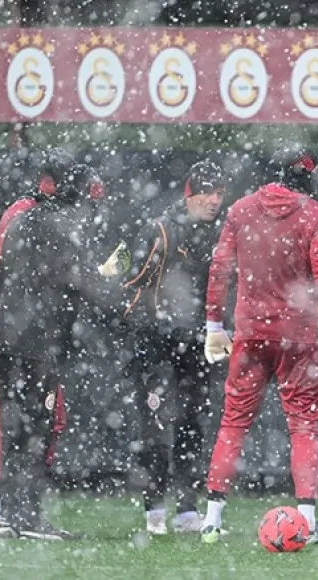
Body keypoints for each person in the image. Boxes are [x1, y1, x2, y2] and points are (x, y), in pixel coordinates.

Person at [200, 146, 318, 544]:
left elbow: (220, 267)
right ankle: (307, 521)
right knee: (304, 426)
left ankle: (212, 519)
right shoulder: (316, 214)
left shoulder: (240, 210)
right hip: (297, 336)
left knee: (233, 422)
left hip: (250, 332)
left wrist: (214, 323)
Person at [98, 161, 228, 535]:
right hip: (153, 341)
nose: (214, 200)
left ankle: (187, 511)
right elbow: (129, 278)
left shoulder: (220, 232)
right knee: (154, 425)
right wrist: (114, 273)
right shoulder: (160, 228)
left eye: (220, 193)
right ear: (190, 194)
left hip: (195, 341)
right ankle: (154, 509)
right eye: (207, 192)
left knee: (192, 422)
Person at [0, 163, 106, 540]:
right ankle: (28, 519)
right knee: (34, 431)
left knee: (16, 429)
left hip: (8, 338)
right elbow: (84, 284)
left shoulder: (26, 219)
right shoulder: (59, 226)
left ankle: (9, 516)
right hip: (36, 346)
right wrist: (116, 285)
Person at [0, 149, 74, 537]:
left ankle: (18, 510)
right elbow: (20, 280)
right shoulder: (25, 215)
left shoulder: (27, 213)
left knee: (47, 418)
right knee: (12, 419)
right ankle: (7, 514)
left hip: (19, 329)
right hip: (9, 329)